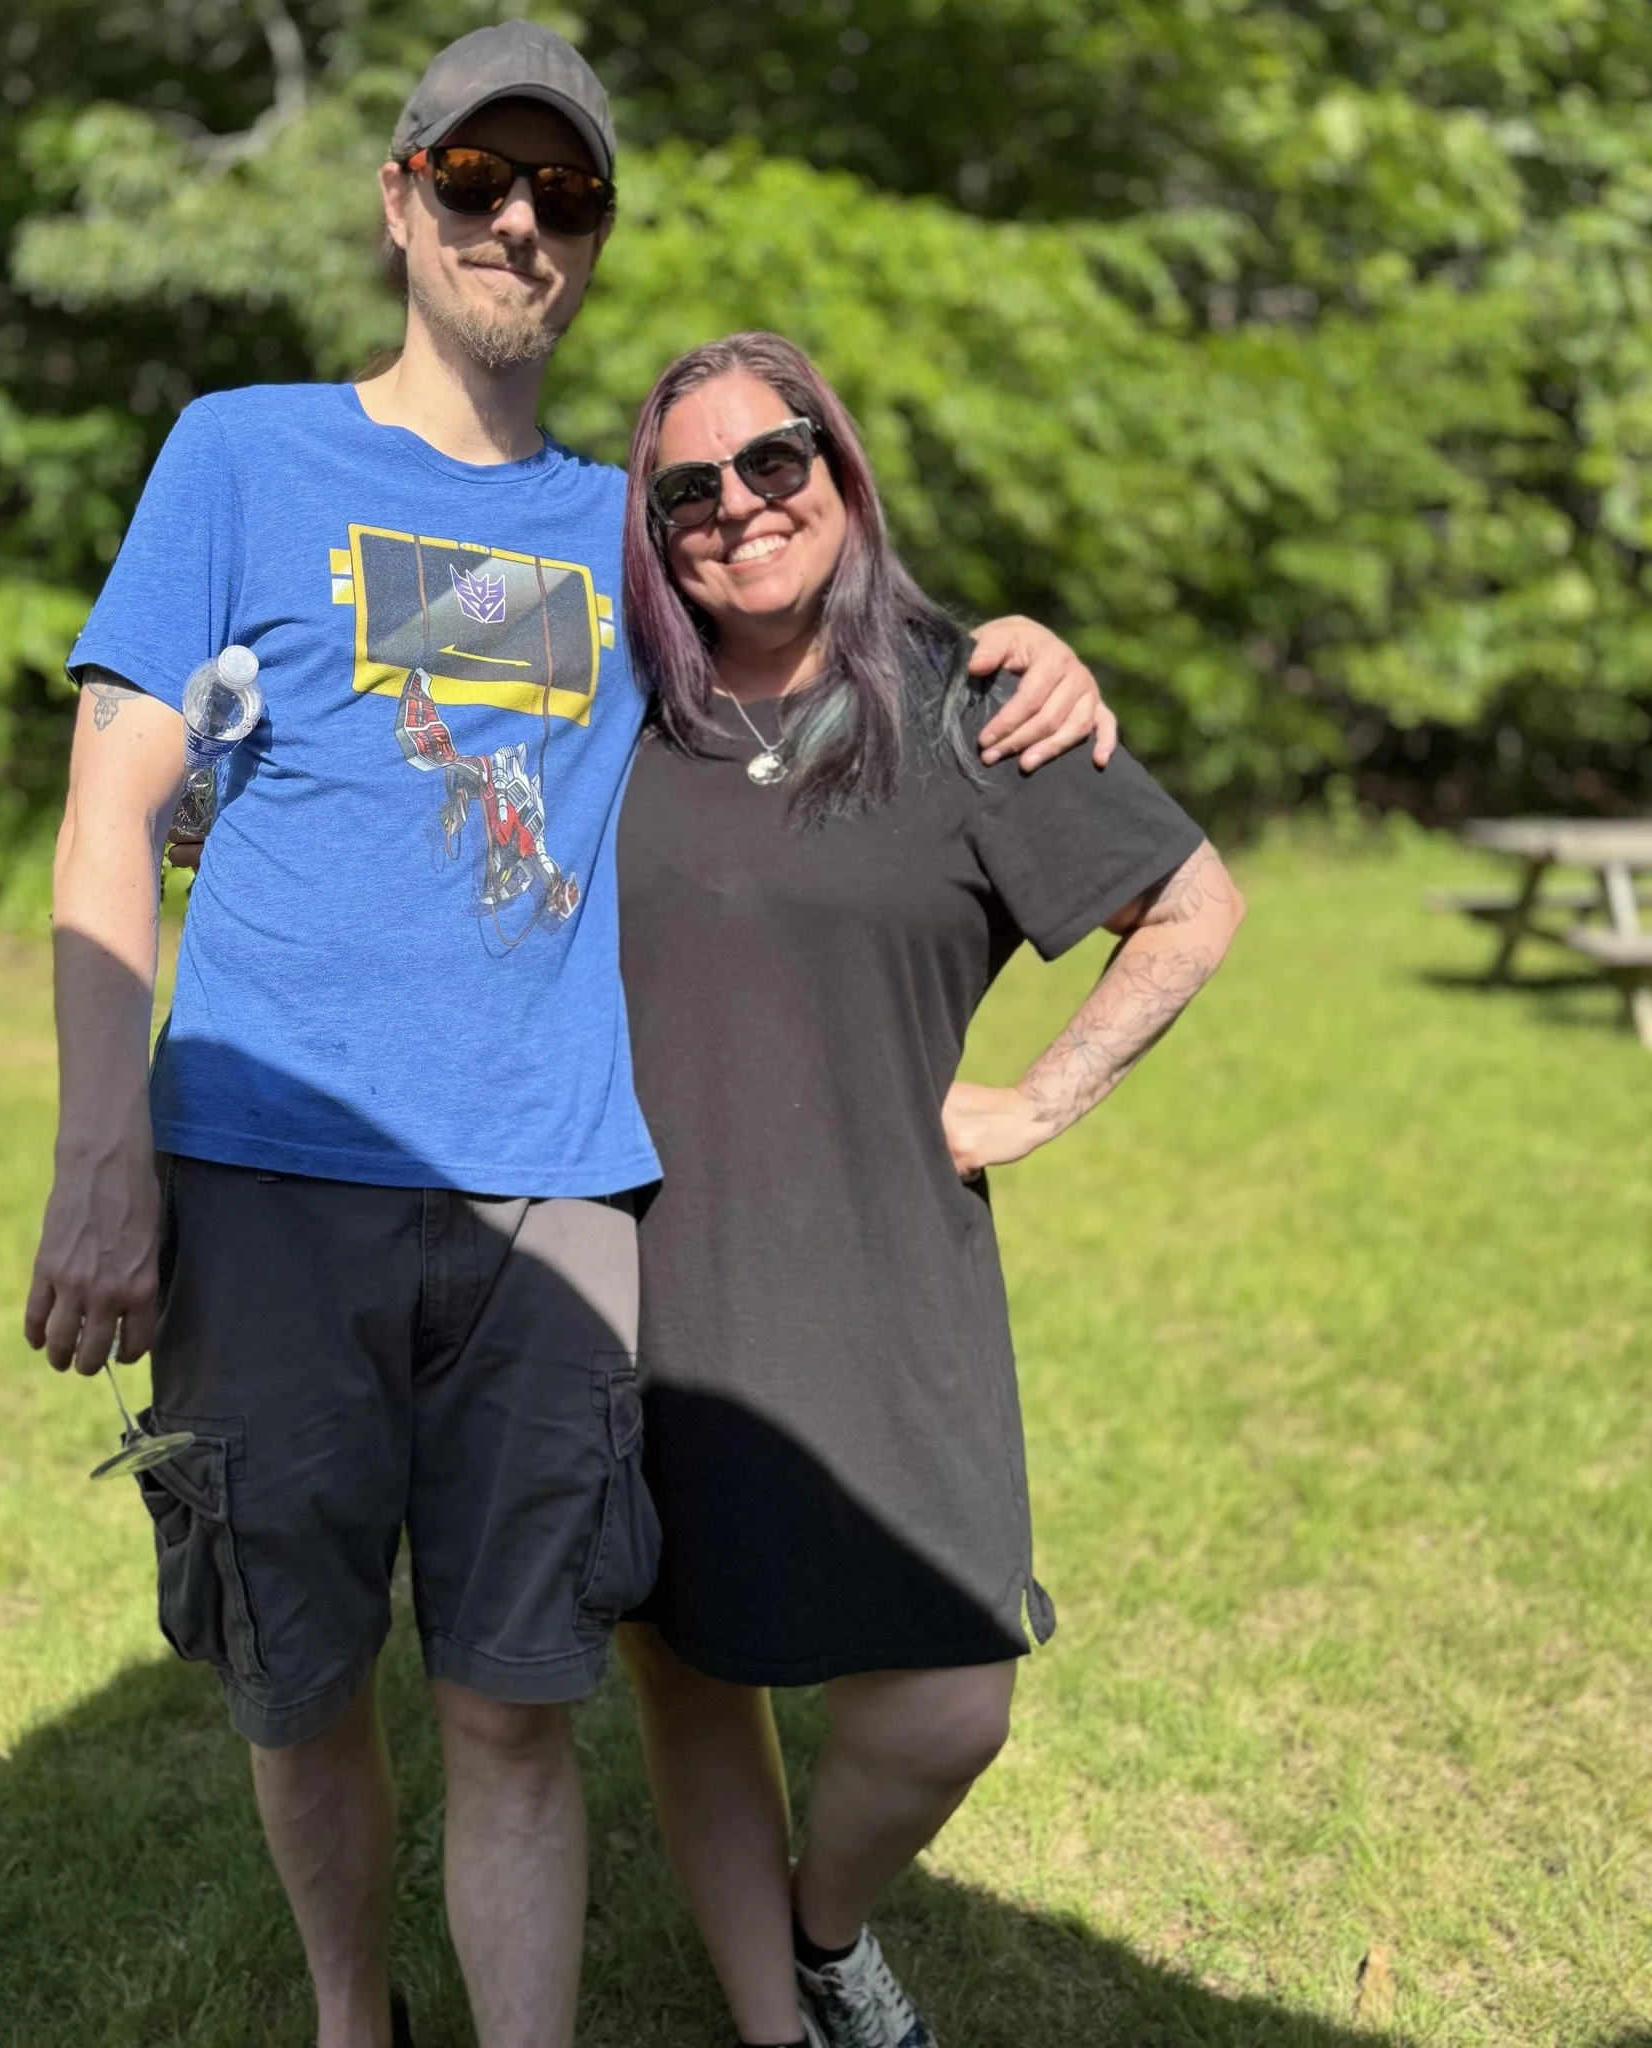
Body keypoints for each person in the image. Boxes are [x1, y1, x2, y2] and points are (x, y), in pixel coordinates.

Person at [23, 24, 1114, 2048]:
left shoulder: (634, 538)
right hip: (267, 1177)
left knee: (517, 1702)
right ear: (400, 197)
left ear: (591, 241)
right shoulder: (241, 452)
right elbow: (110, 808)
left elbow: (828, 615)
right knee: (298, 1678)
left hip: (555, 1197)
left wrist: (1021, 651)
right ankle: (360, 2017)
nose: (516, 218)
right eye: (475, 178)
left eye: (562, 194)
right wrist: (105, 1155)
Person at [611, 332, 1245, 2048]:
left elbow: (1193, 905)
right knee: (691, 1666)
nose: (737, 507)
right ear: (649, 524)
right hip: (643, 1275)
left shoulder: (973, 696)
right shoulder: (614, 703)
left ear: (841, 466)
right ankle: (771, 2019)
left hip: (891, 1266)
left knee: (953, 1694)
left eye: (775, 460)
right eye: (687, 487)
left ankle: (824, 1931)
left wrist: (1045, 1095)